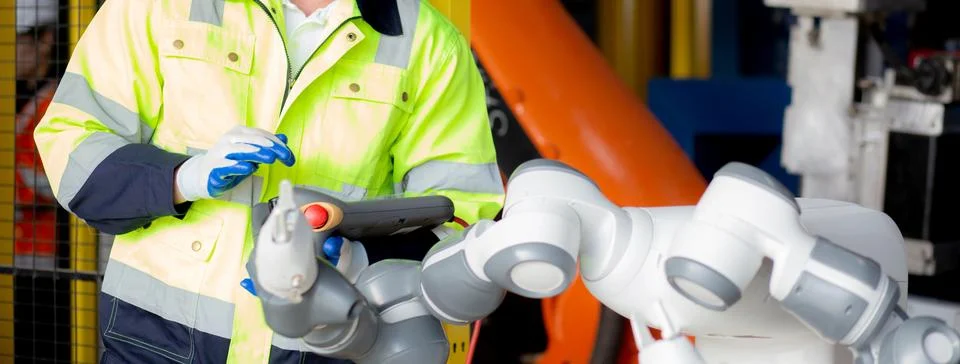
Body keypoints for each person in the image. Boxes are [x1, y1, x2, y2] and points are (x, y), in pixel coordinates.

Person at [32, 0, 505, 362]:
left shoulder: (426, 42)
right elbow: (71, 148)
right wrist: (181, 178)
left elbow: (461, 220)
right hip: (156, 341)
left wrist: (360, 264)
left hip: (325, 345)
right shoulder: (158, 5)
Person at [15, 0, 60, 270]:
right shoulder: (21, 100)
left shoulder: (58, 103)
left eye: (14, 40)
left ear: (45, 40)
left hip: (45, 255)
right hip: (20, 250)